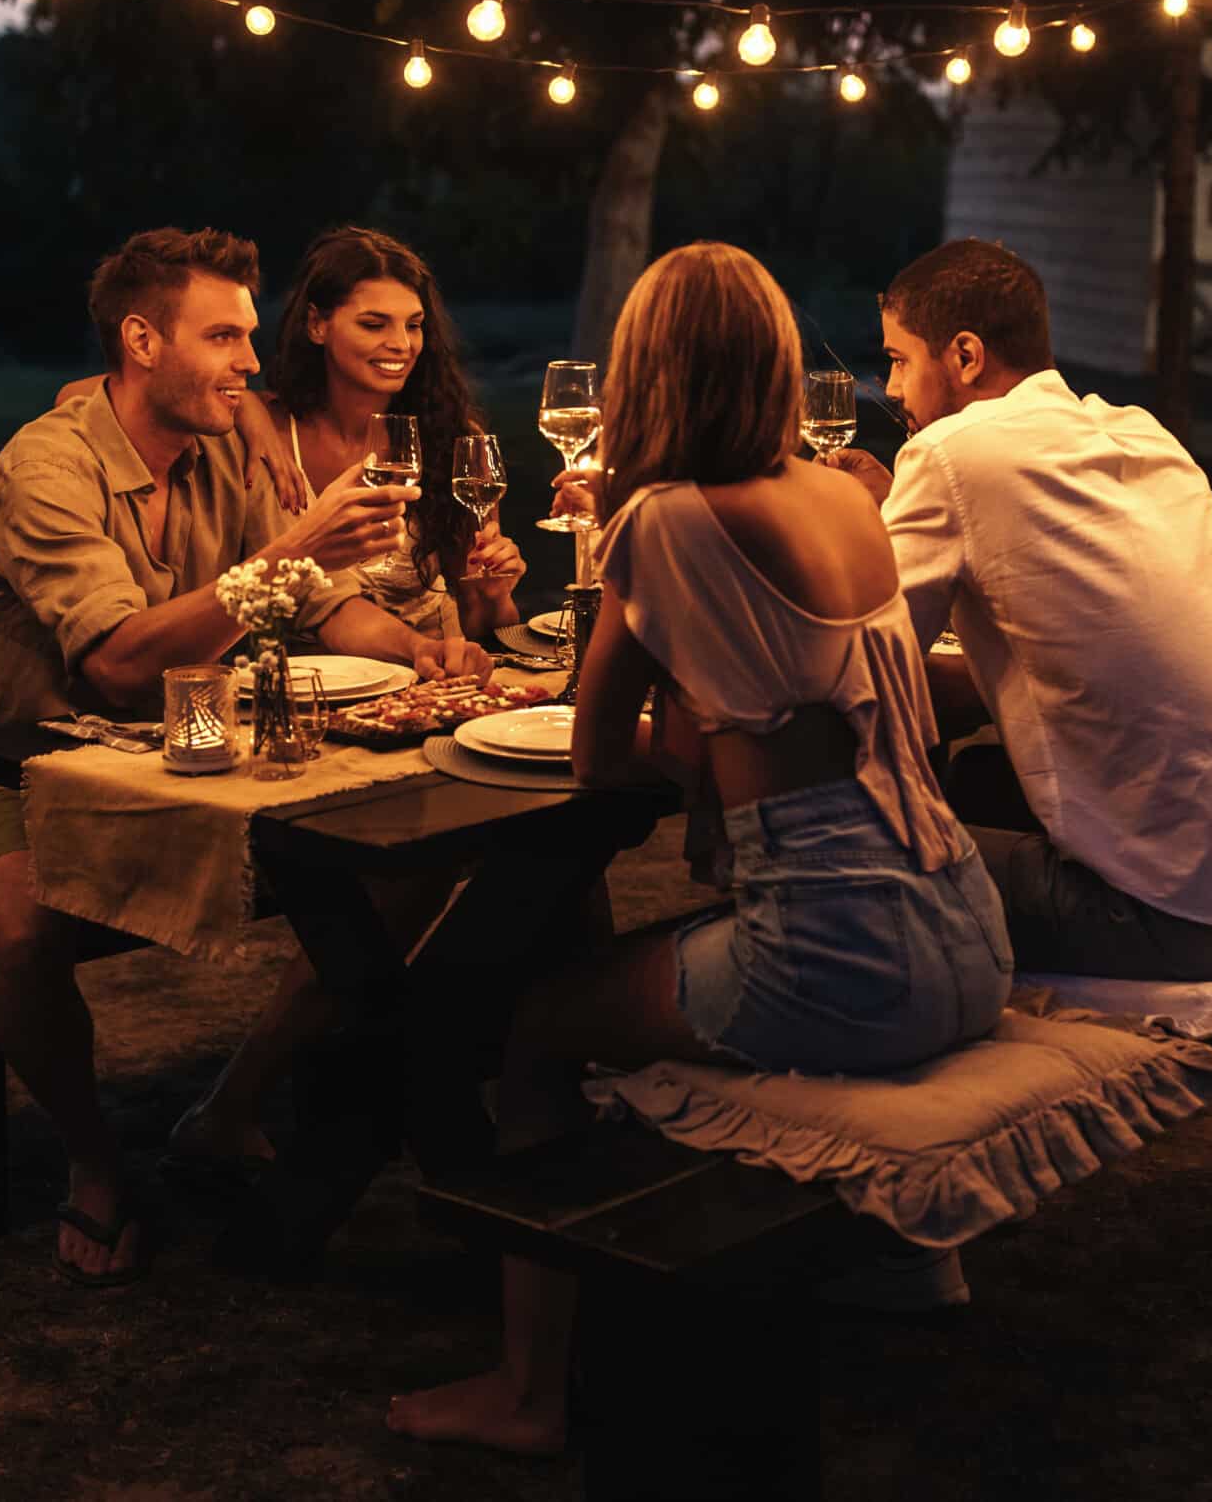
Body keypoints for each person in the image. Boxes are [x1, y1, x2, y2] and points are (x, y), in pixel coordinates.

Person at [387, 242, 1012, 1456]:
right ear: (777, 362)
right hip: (965, 924)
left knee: (534, 1032)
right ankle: (898, 1261)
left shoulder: (663, 522)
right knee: (651, 973)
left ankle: (529, 1391)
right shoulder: (843, 492)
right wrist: (725, 739)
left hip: (841, 957)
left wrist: (689, 742)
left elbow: (592, 755)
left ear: (644, 372)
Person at [0, 225, 492, 1285]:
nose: (251, 360)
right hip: (30, 772)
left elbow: (320, 603)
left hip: (199, 749)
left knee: (419, 849)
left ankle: (233, 1105)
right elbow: (113, 664)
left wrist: (419, 646)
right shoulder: (44, 469)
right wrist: (288, 553)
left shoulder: (224, 447)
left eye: (249, 334)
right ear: (142, 341)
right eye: (226, 336)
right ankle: (97, 1167)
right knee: (19, 933)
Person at [822, 237, 1212, 982]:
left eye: (901, 360)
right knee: (976, 782)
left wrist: (839, 524)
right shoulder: (1136, 433)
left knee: (854, 876)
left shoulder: (949, 452)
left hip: (1197, 920)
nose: (893, 387)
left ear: (966, 356)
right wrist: (896, 514)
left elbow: (859, 670)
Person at [256, 225, 526, 640]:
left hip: (428, 679)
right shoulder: (269, 430)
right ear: (316, 325)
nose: (401, 344)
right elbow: (233, 401)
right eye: (374, 324)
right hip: (307, 683)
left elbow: (486, 630)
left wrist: (493, 594)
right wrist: (250, 419)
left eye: (414, 325)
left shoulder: (450, 438)